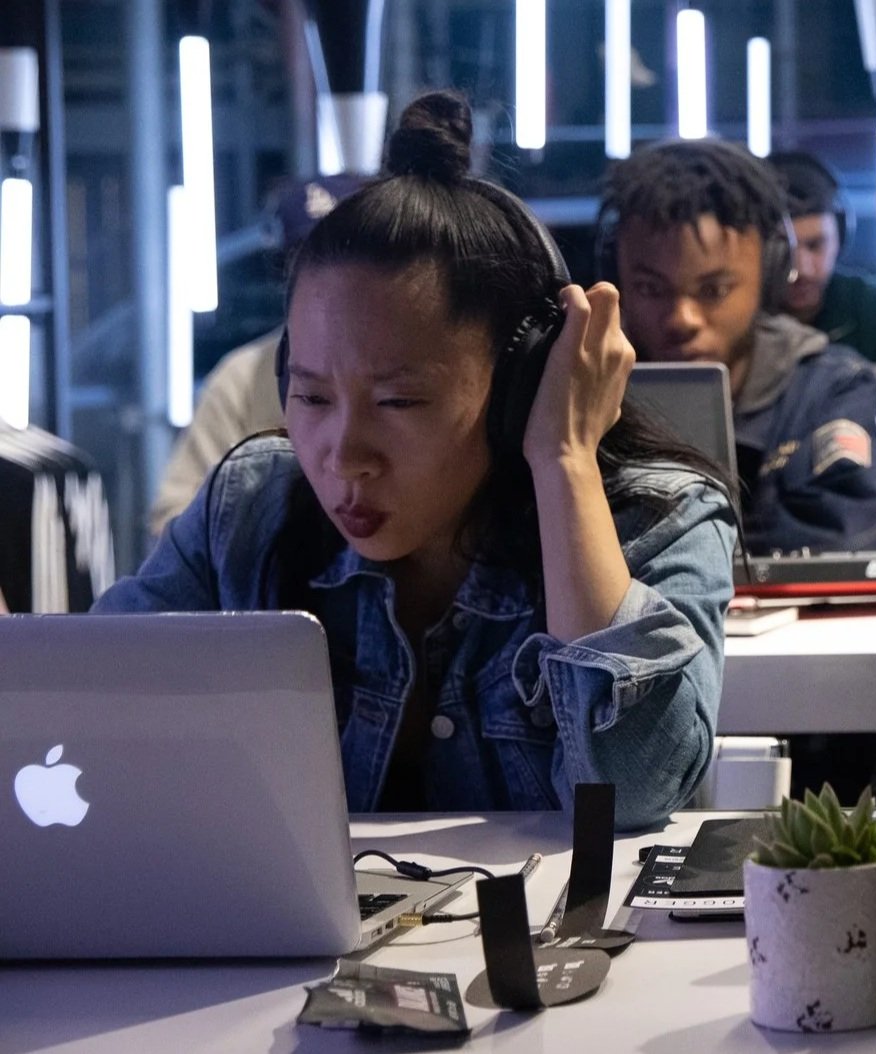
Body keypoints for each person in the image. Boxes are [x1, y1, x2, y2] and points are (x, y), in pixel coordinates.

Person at [95, 93, 738, 830]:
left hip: (553, 946)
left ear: (520, 387)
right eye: (310, 398)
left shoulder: (659, 518)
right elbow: (88, 716)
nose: (345, 457)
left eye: (399, 404)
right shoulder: (248, 509)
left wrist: (563, 459)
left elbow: (629, 795)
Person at [604, 139, 876, 553]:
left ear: (771, 275)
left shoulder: (830, 390)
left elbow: (842, 536)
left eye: (714, 289)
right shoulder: (581, 399)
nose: (682, 318)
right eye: (651, 288)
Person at [148, 175, 369, 538]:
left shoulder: (424, 361)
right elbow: (173, 521)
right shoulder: (245, 376)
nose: (325, 284)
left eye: (347, 262)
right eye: (305, 265)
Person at [764, 151, 876, 365]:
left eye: (815, 245)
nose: (801, 269)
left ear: (841, 236)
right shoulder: (732, 319)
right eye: (782, 248)